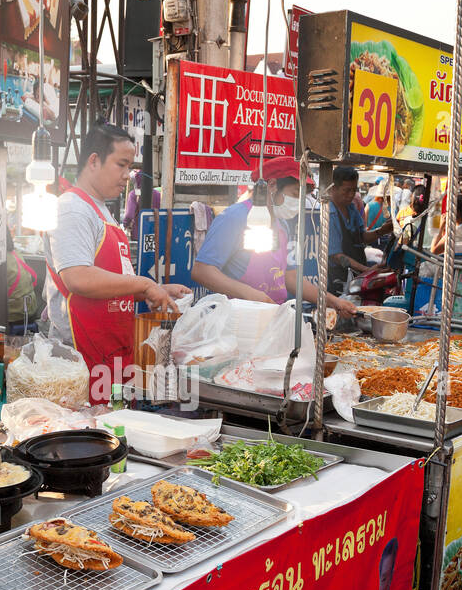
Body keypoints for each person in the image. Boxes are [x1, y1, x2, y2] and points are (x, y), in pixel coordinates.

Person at [43, 121, 189, 402]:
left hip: (109, 354)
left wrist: (156, 289)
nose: (127, 175)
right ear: (94, 161)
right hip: (78, 361)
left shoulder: (101, 211)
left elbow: (112, 282)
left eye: (130, 166)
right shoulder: (73, 209)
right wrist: (144, 284)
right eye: (121, 164)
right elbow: (78, 277)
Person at [192, 156, 357, 316]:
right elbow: (202, 271)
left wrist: (333, 301)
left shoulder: (281, 223)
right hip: (237, 318)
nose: (298, 202)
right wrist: (250, 294)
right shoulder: (234, 217)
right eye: (294, 193)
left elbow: (290, 277)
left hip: (272, 317)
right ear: (272, 185)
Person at [324, 166, 395, 301]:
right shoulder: (329, 212)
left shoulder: (351, 208)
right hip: (337, 280)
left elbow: (362, 237)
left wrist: (382, 230)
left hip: (356, 279)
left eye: (354, 190)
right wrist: (366, 270)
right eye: (346, 190)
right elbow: (336, 256)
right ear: (333, 188)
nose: (351, 195)